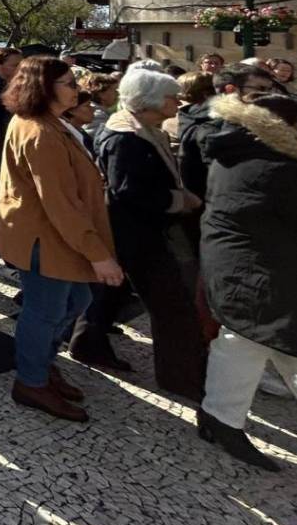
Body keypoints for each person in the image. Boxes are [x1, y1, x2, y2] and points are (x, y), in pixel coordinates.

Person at [0, 56, 123, 422]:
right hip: (45, 238)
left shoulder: (49, 123)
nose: (76, 89)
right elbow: (60, 204)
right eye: (68, 82)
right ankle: (31, 381)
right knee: (46, 309)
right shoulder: (40, 133)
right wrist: (98, 254)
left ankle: (43, 364)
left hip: (54, 236)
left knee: (76, 299)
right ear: (44, 88)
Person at [71, 70, 208, 400]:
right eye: (173, 97)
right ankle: (180, 378)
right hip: (136, 233)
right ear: (152, 102)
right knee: (170, 304)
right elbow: (128, 190)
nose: (178, 102)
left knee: (113, 292)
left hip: (136, 231)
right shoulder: (125, 137)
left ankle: (88, 342)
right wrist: (180, 200)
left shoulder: (143, 130)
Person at [197, 93, 297, 471]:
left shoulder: (234, 147)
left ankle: (219, 418)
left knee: (257, 341)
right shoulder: (276, 166)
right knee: (248, 340)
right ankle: (220, 419)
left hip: (242, 263)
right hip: (254, 270)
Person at [178, 63, 275, 200]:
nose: (268, 95)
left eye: (270, 90)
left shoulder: (261, 119)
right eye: (261, 89)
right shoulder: (210, 129)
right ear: (231, 90)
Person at [81, 71, 121, 136]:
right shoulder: (97, 116)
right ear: (101, 94)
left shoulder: (99, 112)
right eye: (114, 90)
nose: (117, 94)